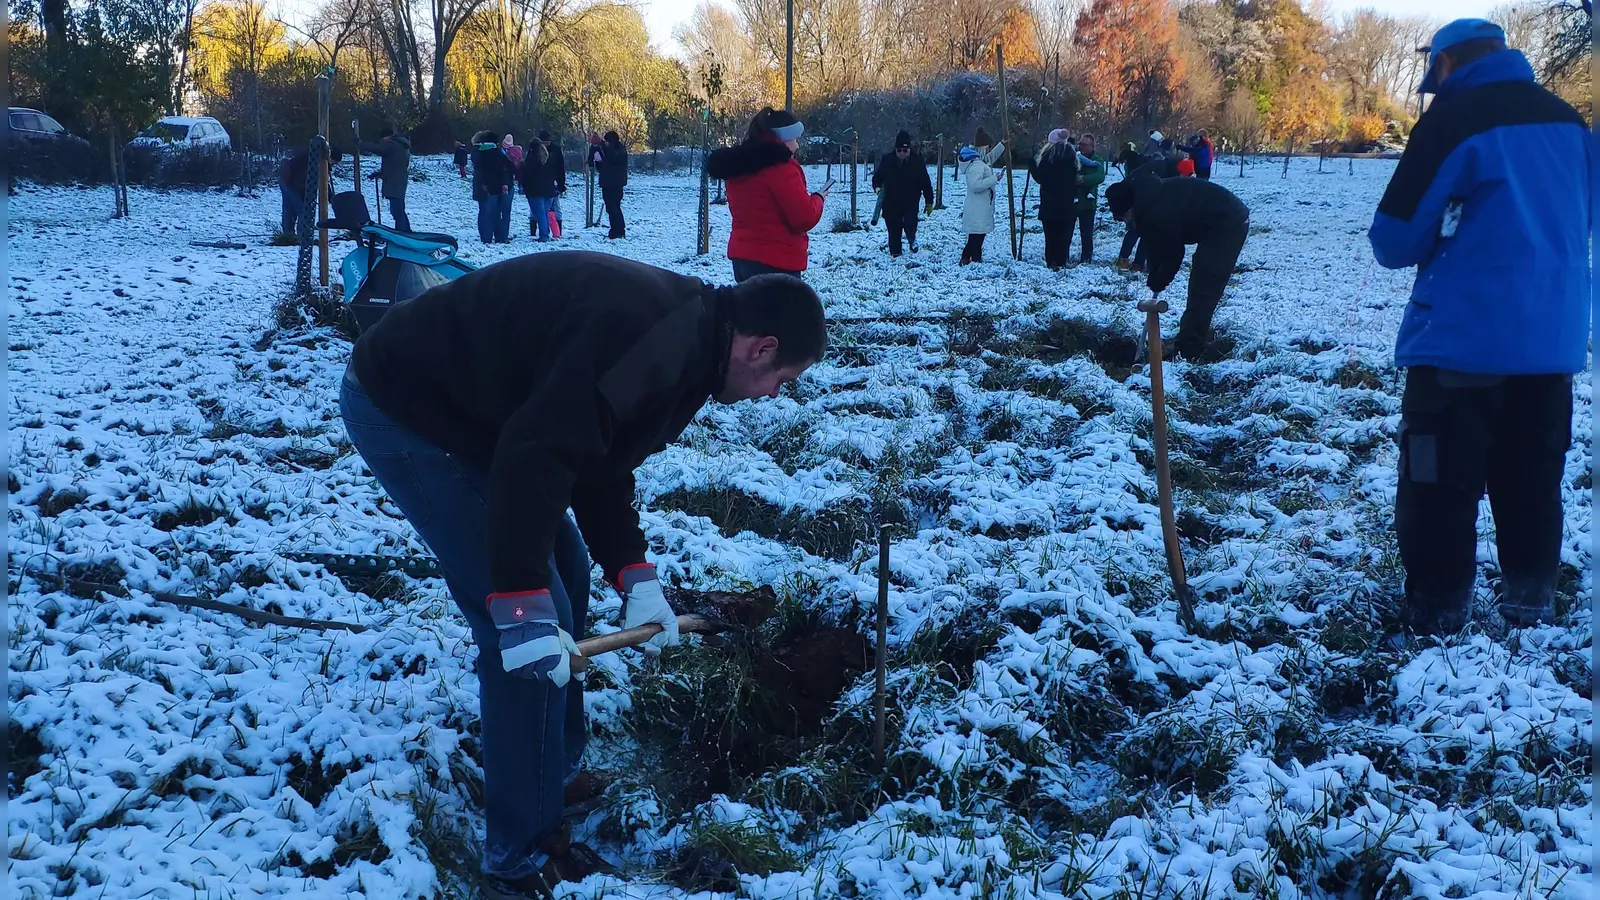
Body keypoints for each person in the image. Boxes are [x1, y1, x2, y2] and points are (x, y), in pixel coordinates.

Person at [339, 251, 827, 900]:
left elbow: (597, 460)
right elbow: (538, 454)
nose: (773, 395)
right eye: (784, 379)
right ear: (762, 349)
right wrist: (516, 601)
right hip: (404, 404)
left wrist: (633, 574)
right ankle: (517, 855)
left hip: (488, 417)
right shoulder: (652, 339)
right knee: (527, 638)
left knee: (565, 568)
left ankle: (547, 774)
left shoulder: (692, 348)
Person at [1368, 18, 1589, 636]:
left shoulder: (1452, 119)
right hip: (1554, 342)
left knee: (1437, 481)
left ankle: (1438, 612)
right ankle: (1530, 602)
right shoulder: (1571, 122)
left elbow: (1393, 240)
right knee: (1532, 479)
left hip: (1461, 344)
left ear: (1445, 66)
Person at [1104, 167, 1249, 361]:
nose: (1125, 222)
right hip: (1211, 219)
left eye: (1124, 217)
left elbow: (1174, 253)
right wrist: (1153, 275)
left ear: (1130, 208)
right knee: (1200, 281)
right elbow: (1155, 244)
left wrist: (1160, 280)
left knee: (1205, 284)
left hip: (1228, 222)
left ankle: (1188, 351)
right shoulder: (1146, 199)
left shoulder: (1156, 211)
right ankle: (1187, 342)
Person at [706, 107, 828, 281]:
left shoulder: (737, 165)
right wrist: (818, 198)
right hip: (777, 261)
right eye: (794, 139)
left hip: (743, 259)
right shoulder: (782, 169)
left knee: (748, 308)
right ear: (783, 139)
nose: (797, 145)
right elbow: (804, 217)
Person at [870, 130, 935, 257]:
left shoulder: (917, 161)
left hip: (910, 201)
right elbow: (877, 177)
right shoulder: (887, 160)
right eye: (899, 150)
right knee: (893, 228)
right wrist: (877, 188)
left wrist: (929, 201)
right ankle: (895, 254)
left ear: (909, 149)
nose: (902, 153)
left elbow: (925, 182)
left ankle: (911, 238)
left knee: (910, 224)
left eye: (905, 150)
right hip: (891, 202)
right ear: (895, 149)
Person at [1026, 129, 1081, 270]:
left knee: (1050, 235)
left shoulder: (1048, 158)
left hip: (1050, 203)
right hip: (1066, 204)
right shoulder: (1072, 158)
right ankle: (1061, 260)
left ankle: (1052, 261)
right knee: (1063, 235)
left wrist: (1031, 164)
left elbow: (1041, 178)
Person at [958, 127, 1006, 265]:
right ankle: (966, 258)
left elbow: (991, 157)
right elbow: (975, 185)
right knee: (976, 236)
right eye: (989, 146)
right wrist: (995, 178)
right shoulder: (976, 165)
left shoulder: (980, 160)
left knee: (978, 235)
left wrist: (1002, 144)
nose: (990, 149)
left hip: (980, 205)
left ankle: (976, 259)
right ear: (984, 146)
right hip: (977, 206)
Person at [360, 126, 413, 231]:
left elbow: (377, 148)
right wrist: (379, 174)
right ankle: (405, 230)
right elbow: (394, 166)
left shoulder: (393, 145)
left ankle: (402, 232)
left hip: (394, 184)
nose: (382, 142)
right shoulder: (401, 146)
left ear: (387, 137)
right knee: (399, 210)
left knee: (396, 211)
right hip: (398, 181)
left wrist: (361, 143)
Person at [472, 131, 517, 244]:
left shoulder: (478, 152)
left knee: (485, 213)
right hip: (494, 188)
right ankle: (500, 237)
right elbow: (510, 167)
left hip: (482, 187)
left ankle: (486, 237)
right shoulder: (497, 154)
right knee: (496, 213)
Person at [1070, 133, 1107, 264]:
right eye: (1080, 144)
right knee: (1066, 233)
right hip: (1071, 203)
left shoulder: (1098, 161)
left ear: (1092, 147)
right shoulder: (1073, 158)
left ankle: (1086, 258)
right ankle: (1063, 256)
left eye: (1084, 144)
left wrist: (1083, 180)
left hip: (1087, 204)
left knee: (1086, 234)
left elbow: (1100, 176)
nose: (1081, 146)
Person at [519, 139, 559, 242]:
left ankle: (544, 235)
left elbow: (526, 176)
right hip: (549, 191)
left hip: (535, 191)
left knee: (540, 215)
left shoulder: (531, 160)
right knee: (544, 214)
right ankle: (545, 233)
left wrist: (524, 186)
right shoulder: (549, 158)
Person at [596, 131, 629, 239]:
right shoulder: (616, 150)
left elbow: (614, 158)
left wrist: (602, 146)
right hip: (609, 183)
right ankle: (616, 230)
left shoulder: (619, 151)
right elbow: (605, 167)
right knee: (611, 208)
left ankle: (618, 230)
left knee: (613, 207)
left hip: (614, 184)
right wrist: (599, 162)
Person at [537, 130, 568, 231]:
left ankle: (557, 230)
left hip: (553, 181)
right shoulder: (536, 149)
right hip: (540, 181)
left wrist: (561, 183)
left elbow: (560, 168)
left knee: (556, 207)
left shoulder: (555, 150)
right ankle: (538, 229)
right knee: (539, 207)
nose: (546, 144)